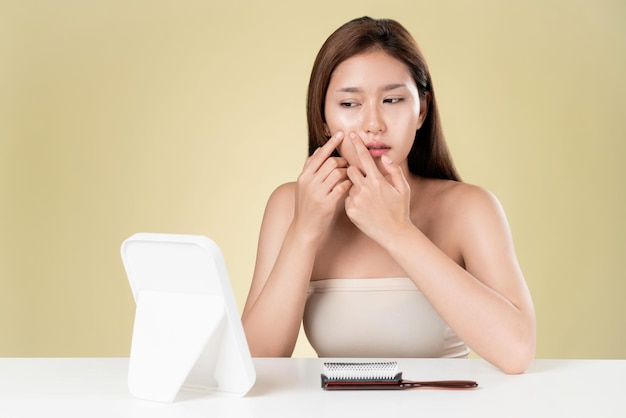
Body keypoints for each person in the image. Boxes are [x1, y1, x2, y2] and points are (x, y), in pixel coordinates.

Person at [242, 16, 536, 374]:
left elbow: (517, 351)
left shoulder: (470, 208)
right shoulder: (290, 206)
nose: (373, 124)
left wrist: (397, 231)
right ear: (323, 119)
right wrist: (304, 231)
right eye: (350, 105)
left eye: (393, 100)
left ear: (422, 110)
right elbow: (254, 362)